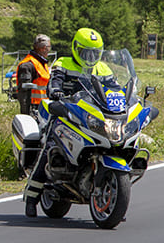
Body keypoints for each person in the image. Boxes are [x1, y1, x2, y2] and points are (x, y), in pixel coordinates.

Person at [23, 28, 115, 217]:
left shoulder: (103, 69)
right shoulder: (63, 63)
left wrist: (127, 97)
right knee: (50, 148)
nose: (90, 57)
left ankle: (109, 193)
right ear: (75, 48)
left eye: (94, 53)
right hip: (66, 114)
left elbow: (115, 88)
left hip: (93, 117)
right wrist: (56, 91)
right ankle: (31, 198)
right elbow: (54, 81)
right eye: (85, 52)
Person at [16, 34, 51, 115]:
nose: (49, 50)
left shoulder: (42, 63)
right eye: (48, 47)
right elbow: (24, 93)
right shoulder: (27, 65)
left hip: (43, 107)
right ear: (43, 48)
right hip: (34, 109)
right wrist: (27, 115)